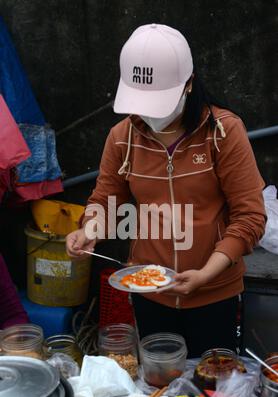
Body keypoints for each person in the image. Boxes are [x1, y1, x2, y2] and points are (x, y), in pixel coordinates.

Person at [66, 24, 266, 358]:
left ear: (189, 84)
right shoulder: (121, 137)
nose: (148, 114)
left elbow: (250, 216)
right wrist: (89, 230)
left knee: (213, 388)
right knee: (157, 386)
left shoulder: (223, 133)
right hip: (149, 290)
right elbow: (107, 200)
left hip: (214, 292)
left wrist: (206, 273)